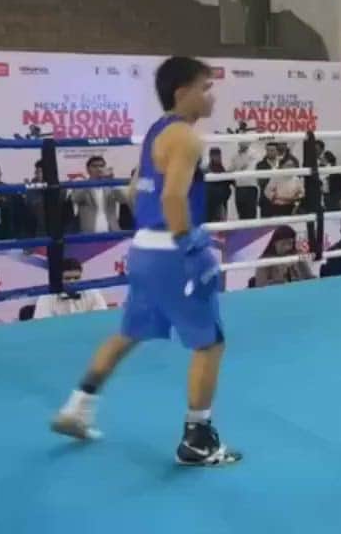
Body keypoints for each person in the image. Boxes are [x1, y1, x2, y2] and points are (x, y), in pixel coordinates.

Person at [50, 56, 241, 466]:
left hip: (144, 249)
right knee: (210, 342)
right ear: (182, 92)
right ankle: (198, 439)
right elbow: (172, 197)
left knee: (130, 332)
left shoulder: (156, 132)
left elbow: (135, 192)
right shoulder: (187, 139)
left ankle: (77, 406)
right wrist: (190, 248)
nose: (213, 94)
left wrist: (159, 234)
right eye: (206, 86)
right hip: (172, 251)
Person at [71, 156, 128, 233]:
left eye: (101, 166)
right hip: (89, 234)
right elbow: (75, 199)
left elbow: (123, 200)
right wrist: (91, 182)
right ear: (88, 169)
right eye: (94, 166)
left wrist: (112, 181)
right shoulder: (82, 185)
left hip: (112, 232)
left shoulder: (110, 185)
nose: (98, 169)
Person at [35, 259, 109, 319]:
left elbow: (101, 319)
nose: (72, 282)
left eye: (76, 278)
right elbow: (44, 327)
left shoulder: (93, 292)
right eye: (67, 278)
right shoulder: (45, 297)